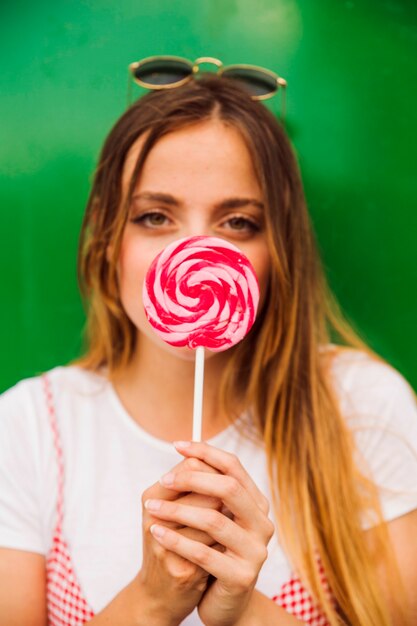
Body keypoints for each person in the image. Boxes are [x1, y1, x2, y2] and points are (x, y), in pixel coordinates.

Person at [0, 57, 416, 626]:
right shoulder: (26, 429)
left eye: (238, 223)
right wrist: (151, 601)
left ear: (279, 253)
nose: (195, 253)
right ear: (107, 243)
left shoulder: (361, 407)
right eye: (154, 217)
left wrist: (243, 609)